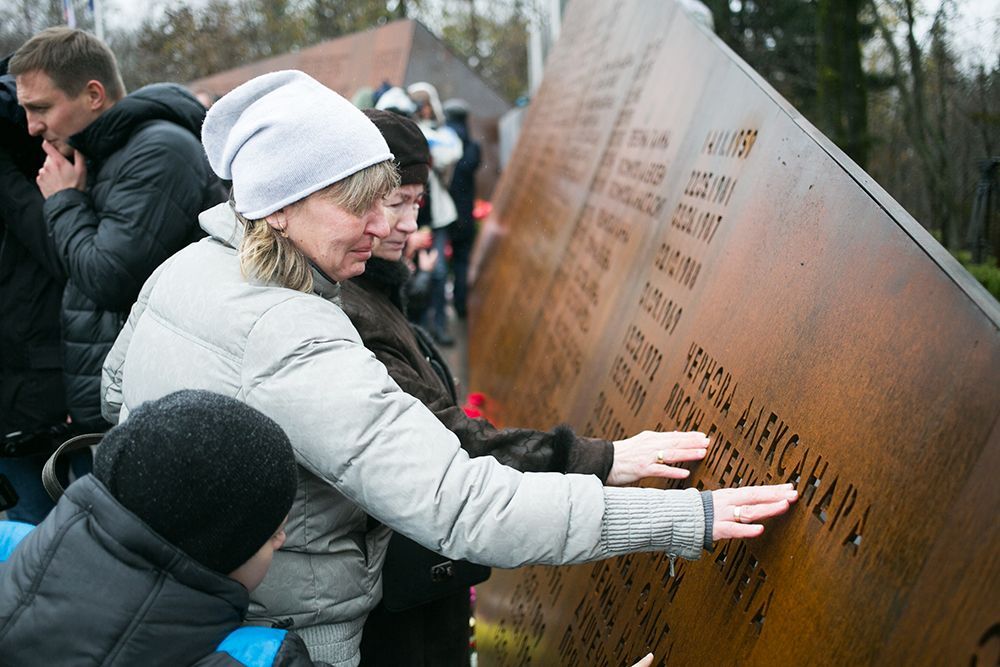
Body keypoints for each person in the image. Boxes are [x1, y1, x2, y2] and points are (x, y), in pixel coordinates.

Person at [100, 70, 797, 666]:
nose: (385, 226)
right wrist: (687, 517)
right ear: (280, 206)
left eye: (389, 198)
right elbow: (463, 504)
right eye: (358, 203)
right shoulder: (292, 333)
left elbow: (116, 396)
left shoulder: (185, 269)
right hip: (301, 636)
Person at [347, 110, 713, 666]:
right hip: (390, 606)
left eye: (416, 203)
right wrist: (596, 459)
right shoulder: (351, 311)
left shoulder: (376, 291)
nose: (405, 223)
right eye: (395, 201)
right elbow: (441, 444)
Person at [0, 390, 323, 666]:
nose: (282, 539)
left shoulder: (11, 549)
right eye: (270, 534)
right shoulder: (254, 657)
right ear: (217, 552)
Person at [10, 27, 226, 432]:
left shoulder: (158, 151)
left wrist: (62, 201)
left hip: (158, 409)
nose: (31, 127)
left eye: (40, 108)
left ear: (94, 95)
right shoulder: (100, 154)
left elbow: (108, 277)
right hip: (122, 404)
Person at [0, 61, 86, 525]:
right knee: (30, 546)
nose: (38, 123)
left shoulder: (36, 163)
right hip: (18, 399)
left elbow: (65, 257)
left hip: (50, 389)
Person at [408, 81, 463, 345]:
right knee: (414, 274)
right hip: (411, 215)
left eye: (426, 103)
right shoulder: (410, 131)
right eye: (419, 104)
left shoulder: (442, 134)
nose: (423, 109)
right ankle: (420, 330)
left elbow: (447, 157)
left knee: (438, 272)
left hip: (436, 214)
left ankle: (438, 325)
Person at [442, 98, 481, 320]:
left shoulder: (441, 144)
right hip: (464, 212)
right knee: (461, 260)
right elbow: (471, 167)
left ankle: (435, 311)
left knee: (435, 261)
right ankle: (460, 304)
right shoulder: (472, 146)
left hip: (442, 213)